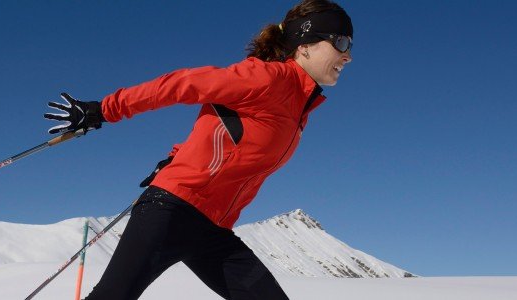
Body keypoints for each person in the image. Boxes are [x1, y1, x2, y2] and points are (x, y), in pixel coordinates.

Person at [43, 0, 354, 299]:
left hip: (212, 230)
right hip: (172, 212)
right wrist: (106, 109)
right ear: (305, 45)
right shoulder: (267, 78)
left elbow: (226, 130)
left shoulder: (300, 107)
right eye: (340, 42)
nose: (348, 55)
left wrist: (180, 156)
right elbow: (183, 83)